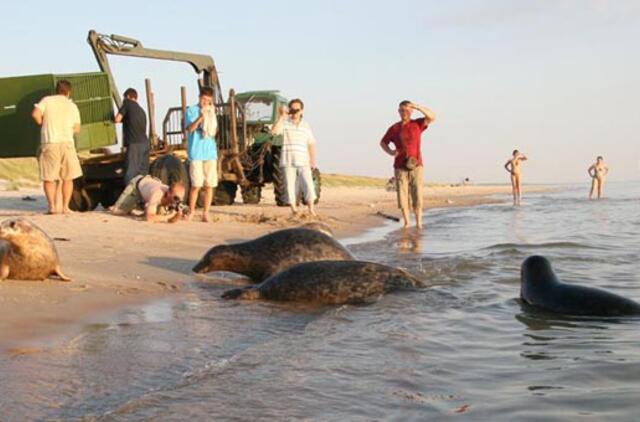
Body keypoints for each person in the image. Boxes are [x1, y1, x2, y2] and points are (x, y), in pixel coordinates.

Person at [380, 100, 436, 229]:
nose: (403, 113)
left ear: (411, 111)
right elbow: (383, 142)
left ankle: (419, 223)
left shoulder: (417, 124)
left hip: (416, 164)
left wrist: (417, 106)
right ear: (398, 112)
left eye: (406, 110)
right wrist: (390, 152)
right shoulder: (394, 128)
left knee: (417, 193)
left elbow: (432, 116)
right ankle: (406, 223)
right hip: (400, 166)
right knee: (402, 195)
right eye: (401, 110)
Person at [31, 80, 83, 214]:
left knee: (49, 177)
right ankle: (65, 207)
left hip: (50, 142)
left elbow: (35, 114)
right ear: (69, 92)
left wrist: (43, 124)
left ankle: (52, 207)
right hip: (67, 143)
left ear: (56, 90)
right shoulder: (72, 106)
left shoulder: (47, 100)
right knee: (68, 177)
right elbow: (77, 128)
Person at [272, 98, 318, 216]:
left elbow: (311, 143)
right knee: (289, 186)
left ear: (302, 111)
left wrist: (313, 160)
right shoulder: (285, 123)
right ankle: (294, 210)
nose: (295, 112)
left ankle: (311, 209)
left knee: (308, 184)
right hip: (288, 160)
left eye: (297, 109)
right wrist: (282, 116)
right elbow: (274, 132)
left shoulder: (306, 126)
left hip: (303, 160)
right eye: (292, 109)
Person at [185, 87, 218, 222]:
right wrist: (201, 117)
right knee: (196, 185)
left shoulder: (212, 113)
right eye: (204, 99)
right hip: (196, 152)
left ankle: (206, 213)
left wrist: (208, 117)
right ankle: (192, 212)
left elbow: (214, 132)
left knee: (209, 185)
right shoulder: (191, 110)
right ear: (200, 97)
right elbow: (190, 128)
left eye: (208, 101)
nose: (206, 102)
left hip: (210, 152)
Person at [110, 175, 186, 223]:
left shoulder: (172, 197)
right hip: (137, 185)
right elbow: (150, 218)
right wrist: (168, 216)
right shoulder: (157, 194)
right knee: (117, 212)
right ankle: (122, 205)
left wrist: (177, 215)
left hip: (151, 185)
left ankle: (144, 207)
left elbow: (170, 221)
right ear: (168, 192)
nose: (176, 201)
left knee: (159, 216)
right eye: (175, 198)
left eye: (179, 199)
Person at [114, 88, 150, 184]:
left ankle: (130, 197)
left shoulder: (127, 104)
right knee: (142, 175)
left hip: (134, 144)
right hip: (145, 144)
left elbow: (117, 119)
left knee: (130, 175)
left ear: (128, 97)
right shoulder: (142, 111)